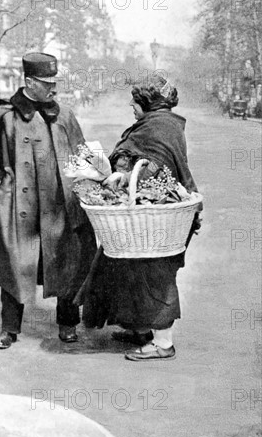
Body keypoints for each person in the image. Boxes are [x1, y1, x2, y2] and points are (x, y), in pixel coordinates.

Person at [0, 52, 96, 349]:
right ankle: (9, 329)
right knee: (15, 266)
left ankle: (67, 324)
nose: (54, 89)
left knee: (68, 261)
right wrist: (2, 183)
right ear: (29, 82)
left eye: (55, 82)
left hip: (59, 206)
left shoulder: (64, 115)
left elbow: (82, 155)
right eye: (47, 83)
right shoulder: (3, 116)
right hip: (17, 208)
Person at [81, 75, 202, 361]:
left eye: (135, 102)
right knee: (129, 270)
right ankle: (139, 329)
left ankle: (163, 343)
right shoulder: (160, 122)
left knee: (155, 275)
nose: (131, 107)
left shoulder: (159, 126)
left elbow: (155, 168)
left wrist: (122, 176)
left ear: (147, 103)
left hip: (159, 216)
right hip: (146, 213)